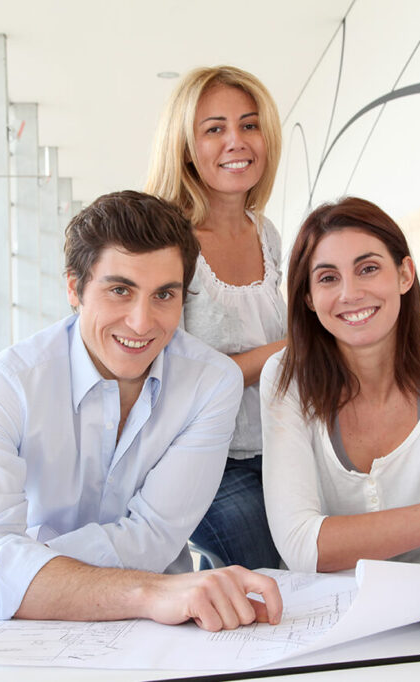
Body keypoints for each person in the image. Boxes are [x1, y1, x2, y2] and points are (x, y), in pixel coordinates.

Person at [0, 191, 282, 632]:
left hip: (162, 630)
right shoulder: (4, 386)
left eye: (164, 294)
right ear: (74, 287)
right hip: (28, 627)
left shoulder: (212, 382)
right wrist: (143, 591)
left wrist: (6, 572)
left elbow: (152, 538)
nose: (142, 323)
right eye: (120, 290)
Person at [260, 197, 420, 573]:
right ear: (308, 297)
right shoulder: (286, 378)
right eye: (328, 278)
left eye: (368, 269)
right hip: (327, 609)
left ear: (405, 275)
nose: (350, 293)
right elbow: (302, 547)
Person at [145, 66, 285, 569]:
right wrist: (289, 351)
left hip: (277, 446)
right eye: (214, 129)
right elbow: (175, 378)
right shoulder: (168, 243)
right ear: (186, 146)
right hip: (205, 460)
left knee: (295, 577)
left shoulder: (266, 233)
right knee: (268, 573)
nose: (237, 141)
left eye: (249, 125)